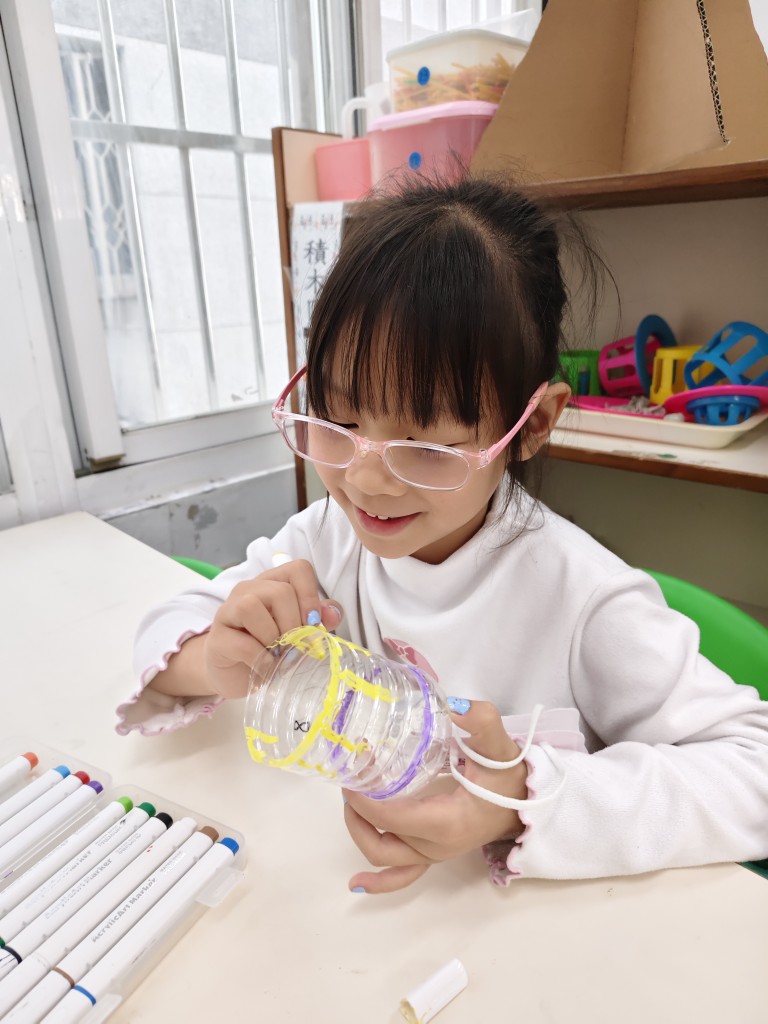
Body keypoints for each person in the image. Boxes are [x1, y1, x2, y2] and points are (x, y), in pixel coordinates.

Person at [119, 175, 768, 895]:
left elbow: (755, 768)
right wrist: (219, 658)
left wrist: (521, 800)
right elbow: (168, 629)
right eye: (337, 420)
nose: (366, 479)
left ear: (532, 425)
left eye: (425, 446)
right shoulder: (329, 539)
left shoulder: (583, 600)